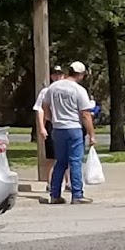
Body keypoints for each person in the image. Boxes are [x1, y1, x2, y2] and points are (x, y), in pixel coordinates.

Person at [38, 60, 97, 204]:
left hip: (58, 129)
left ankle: (55, 194)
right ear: (81, 74)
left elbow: (44, 106)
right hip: (74, 128)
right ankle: (77, 194)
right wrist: (91, 133)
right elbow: (85, 114)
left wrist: (52, 119)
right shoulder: (78, 90)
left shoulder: (53, 88)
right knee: (75, 162)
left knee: (60, 162)